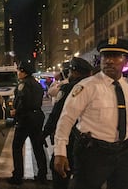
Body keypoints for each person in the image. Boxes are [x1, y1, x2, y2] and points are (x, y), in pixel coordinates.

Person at [54, 38, 128, 189]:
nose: (109, 61)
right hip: (94, 154)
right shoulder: (87, 86)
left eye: (115, 56)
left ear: (125, 61)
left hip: (124, 151)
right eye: (106, 56)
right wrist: (60, 151)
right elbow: (66, 118)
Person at [42, 57, 93, 189]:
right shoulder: (95, 88)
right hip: (91, 140)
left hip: (71, 136)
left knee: (59, 170)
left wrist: (44, 133)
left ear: (75, 72)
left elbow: (58, 114)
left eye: (70, 72)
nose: (69, 75)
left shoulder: (70, 88)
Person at [8, 61, 47, 185]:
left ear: (23, 72)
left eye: (19, 71)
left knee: (17, 147)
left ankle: (17, 175)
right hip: (37, 117)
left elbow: (23, 101)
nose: (18, 73)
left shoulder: (23, 84)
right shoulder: (37, 84)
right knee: (38, 147)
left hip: (26, 118)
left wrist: (15, 112)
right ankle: (42, 175)